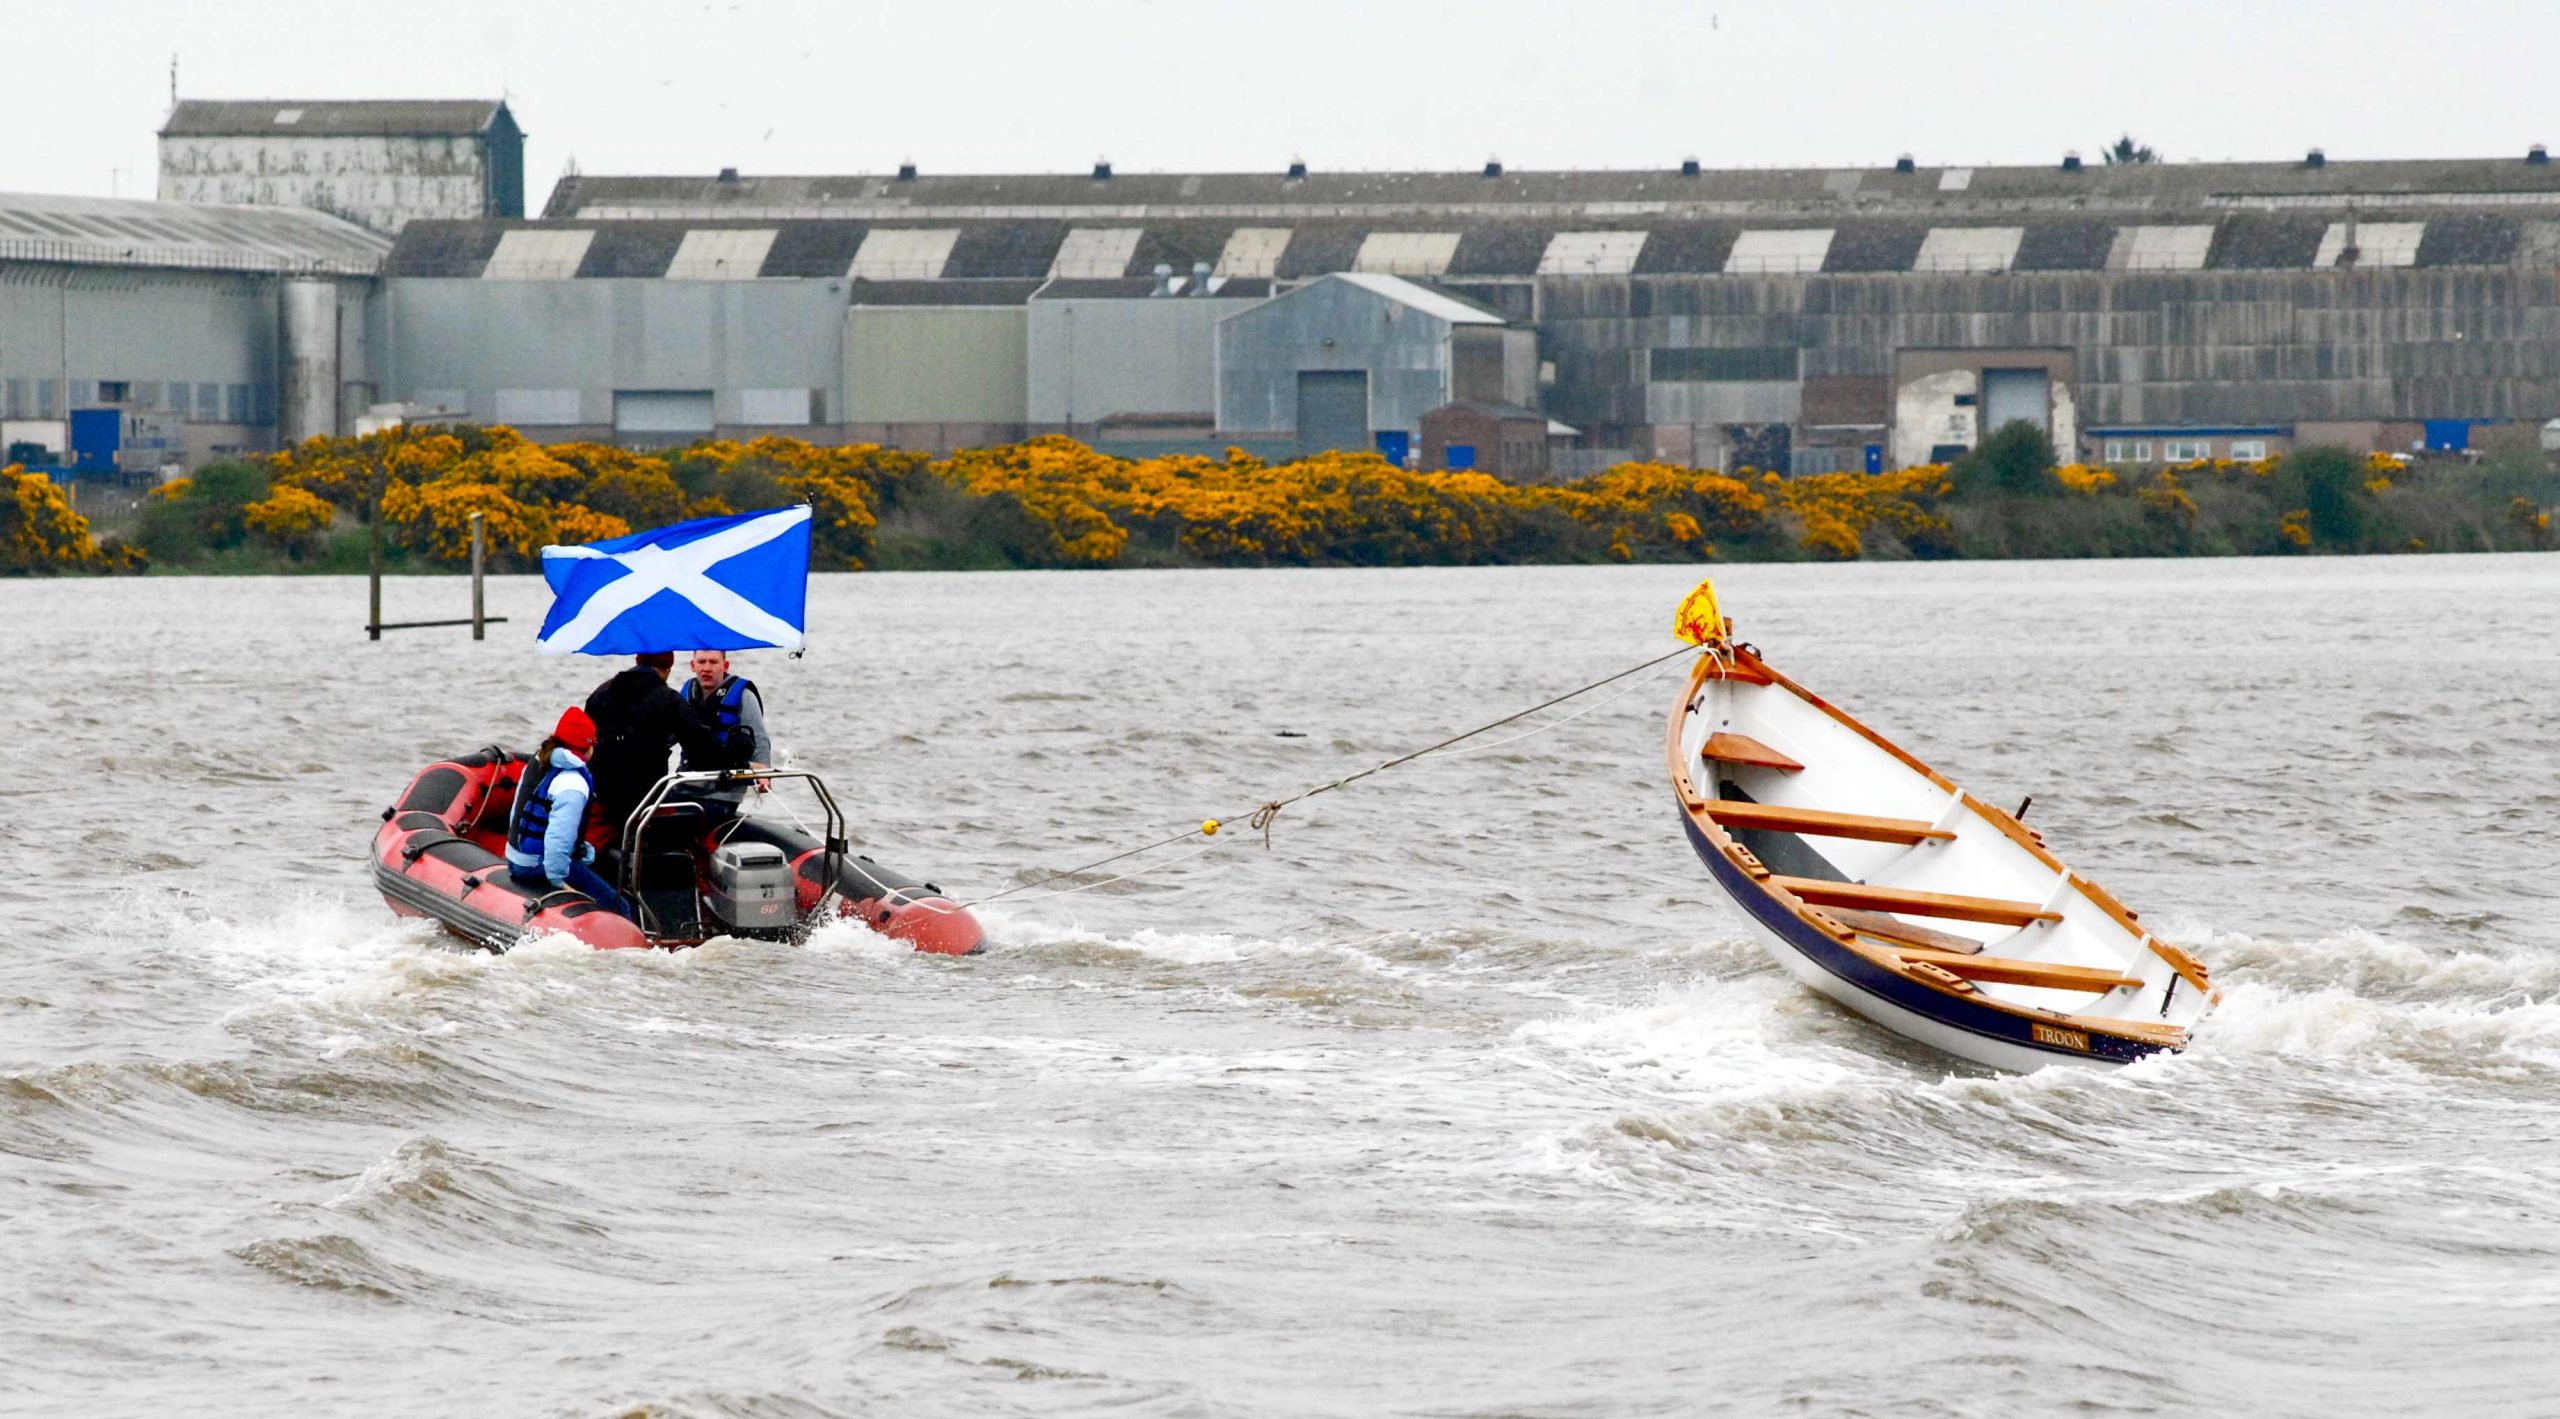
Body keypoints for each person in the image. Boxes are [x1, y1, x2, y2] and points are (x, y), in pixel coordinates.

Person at [504, 707, 634, 920]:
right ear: (588, 747)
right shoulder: (572, 783)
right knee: (620, 907)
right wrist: (558, 880)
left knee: (593, 866)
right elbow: (559, 837)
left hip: (517, 859)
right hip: (539, 866)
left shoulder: (538, 763)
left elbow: (516, 815)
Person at [583, 651, 719, 838]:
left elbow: (586, 742)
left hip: (602, 795)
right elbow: (702, 749)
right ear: (667, 669)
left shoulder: (600, 693)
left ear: (637, 660)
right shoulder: (669, 699)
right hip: (645, 800)